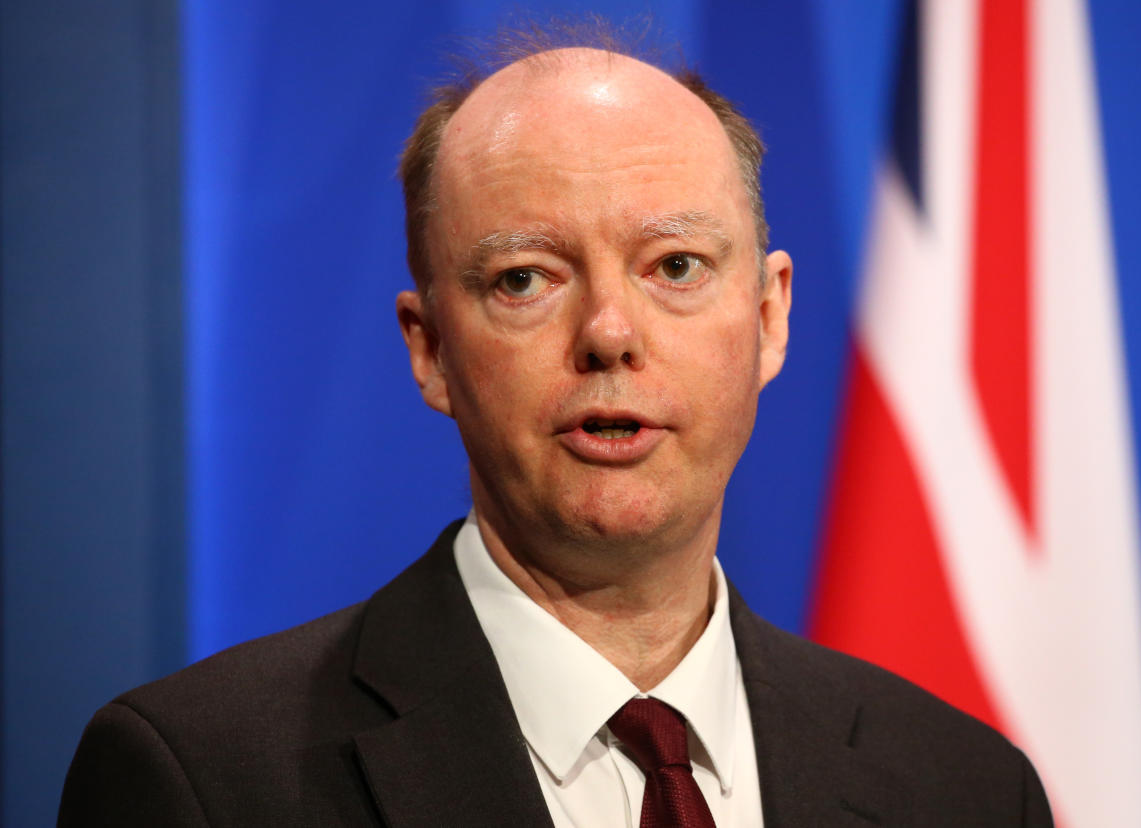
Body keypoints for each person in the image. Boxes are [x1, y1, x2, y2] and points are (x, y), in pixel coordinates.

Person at [59, 30, 1053, 828]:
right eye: (525, 279)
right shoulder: (202, 783)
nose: (610, 334)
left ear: (768, 317)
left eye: (674, 266)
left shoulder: (965, 790)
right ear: (430, 349)